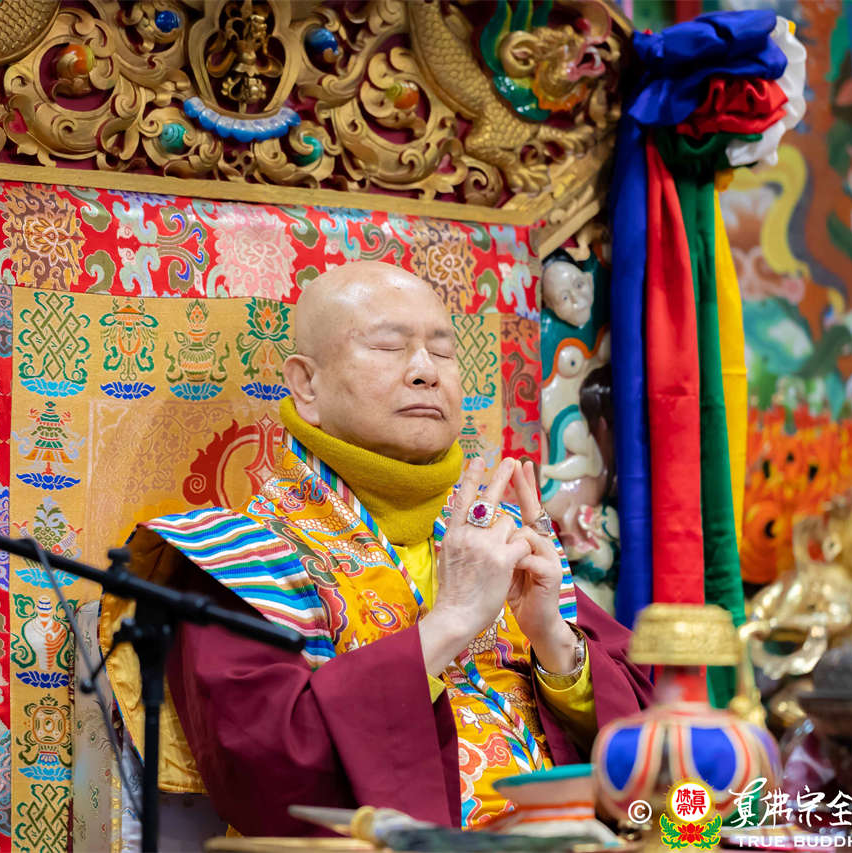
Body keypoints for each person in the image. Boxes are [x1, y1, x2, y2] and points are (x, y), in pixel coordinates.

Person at [111, 261, 650, 836]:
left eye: (443, 352)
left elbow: (648, 744)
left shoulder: (504, 539)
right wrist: (450, 624)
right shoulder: (239, 558)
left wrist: (554, 645)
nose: (425, 372)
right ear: (306, 385)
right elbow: (266, 777)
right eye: (390, 347)